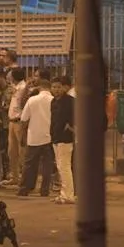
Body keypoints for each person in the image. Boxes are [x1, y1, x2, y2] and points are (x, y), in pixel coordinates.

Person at [18, 79, 54, 197]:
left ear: (39, 88)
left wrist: (22, 135)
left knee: (29, 164)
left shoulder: (32, 100)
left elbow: (24, 119)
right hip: (49, 136)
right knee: (47, 165)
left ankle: (24, 188)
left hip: (34, 136)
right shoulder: (54, 100)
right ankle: (45, 190)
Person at [50, 76, 76, 204]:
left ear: (64, 88)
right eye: (54, 87)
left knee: (64, 167)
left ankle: (68, 195)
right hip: (56, 138)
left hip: (65, 138)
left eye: (59, 87)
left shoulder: (70, 101)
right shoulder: (53, 102)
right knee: (60, 167)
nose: (56, 89)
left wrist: (70, 126)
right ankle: (64, 193)